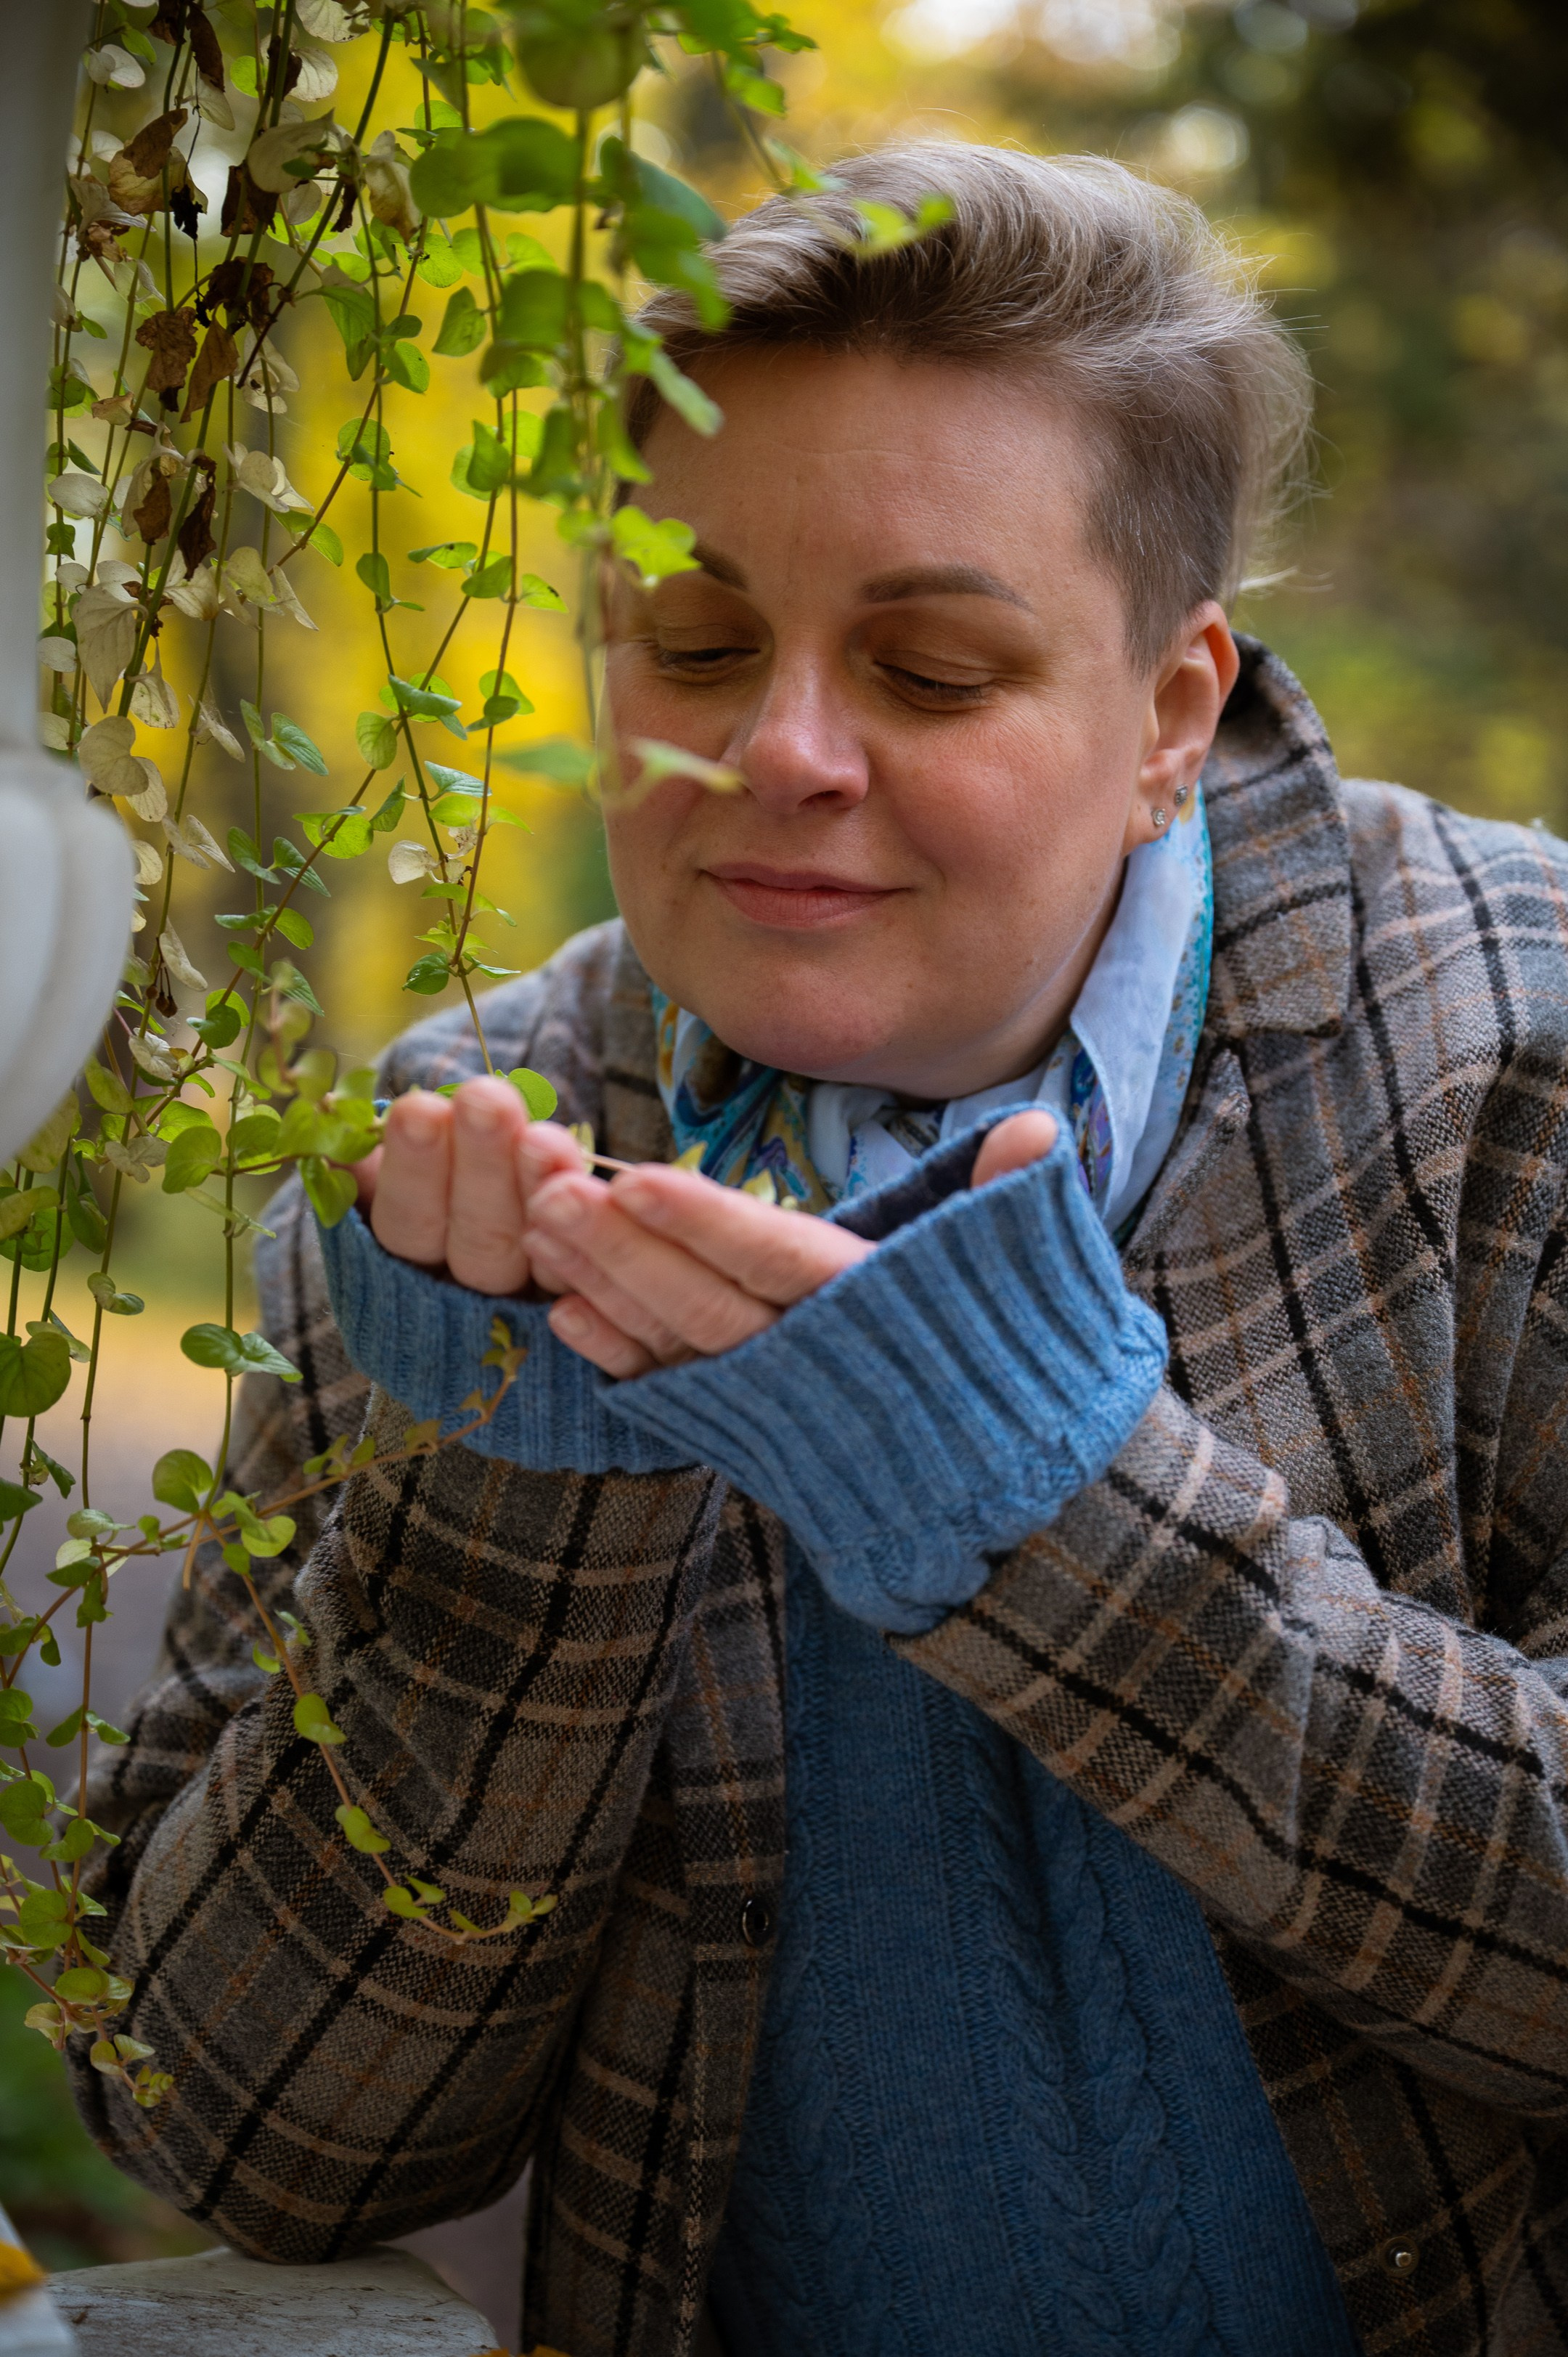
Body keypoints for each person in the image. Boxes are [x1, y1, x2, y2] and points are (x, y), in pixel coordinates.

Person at [70, 146, 1568, 2357]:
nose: (778, 752)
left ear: (1169, 712)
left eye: (935, 670)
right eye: (690, 643)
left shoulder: (1516, 1044)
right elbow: (243, 2135)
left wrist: (1053, 1517)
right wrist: (513, 1514)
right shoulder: (476, 1143)